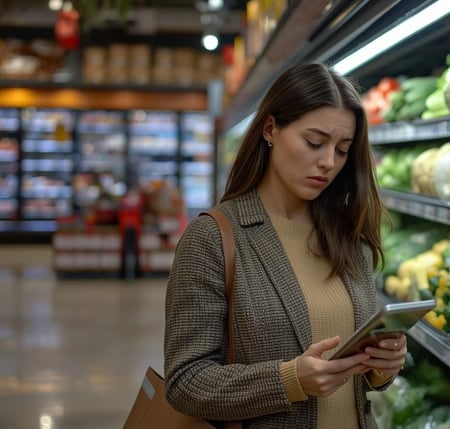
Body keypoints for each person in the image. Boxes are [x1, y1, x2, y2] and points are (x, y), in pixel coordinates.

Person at [164, 62, 407, 429]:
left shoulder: (347, 234)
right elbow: (185, 381)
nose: (328, 162)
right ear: (270, 129)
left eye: (342, 150)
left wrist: (380, 366)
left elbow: (354, 370)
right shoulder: (213, 238)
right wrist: (289, 380)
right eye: (314, 142)